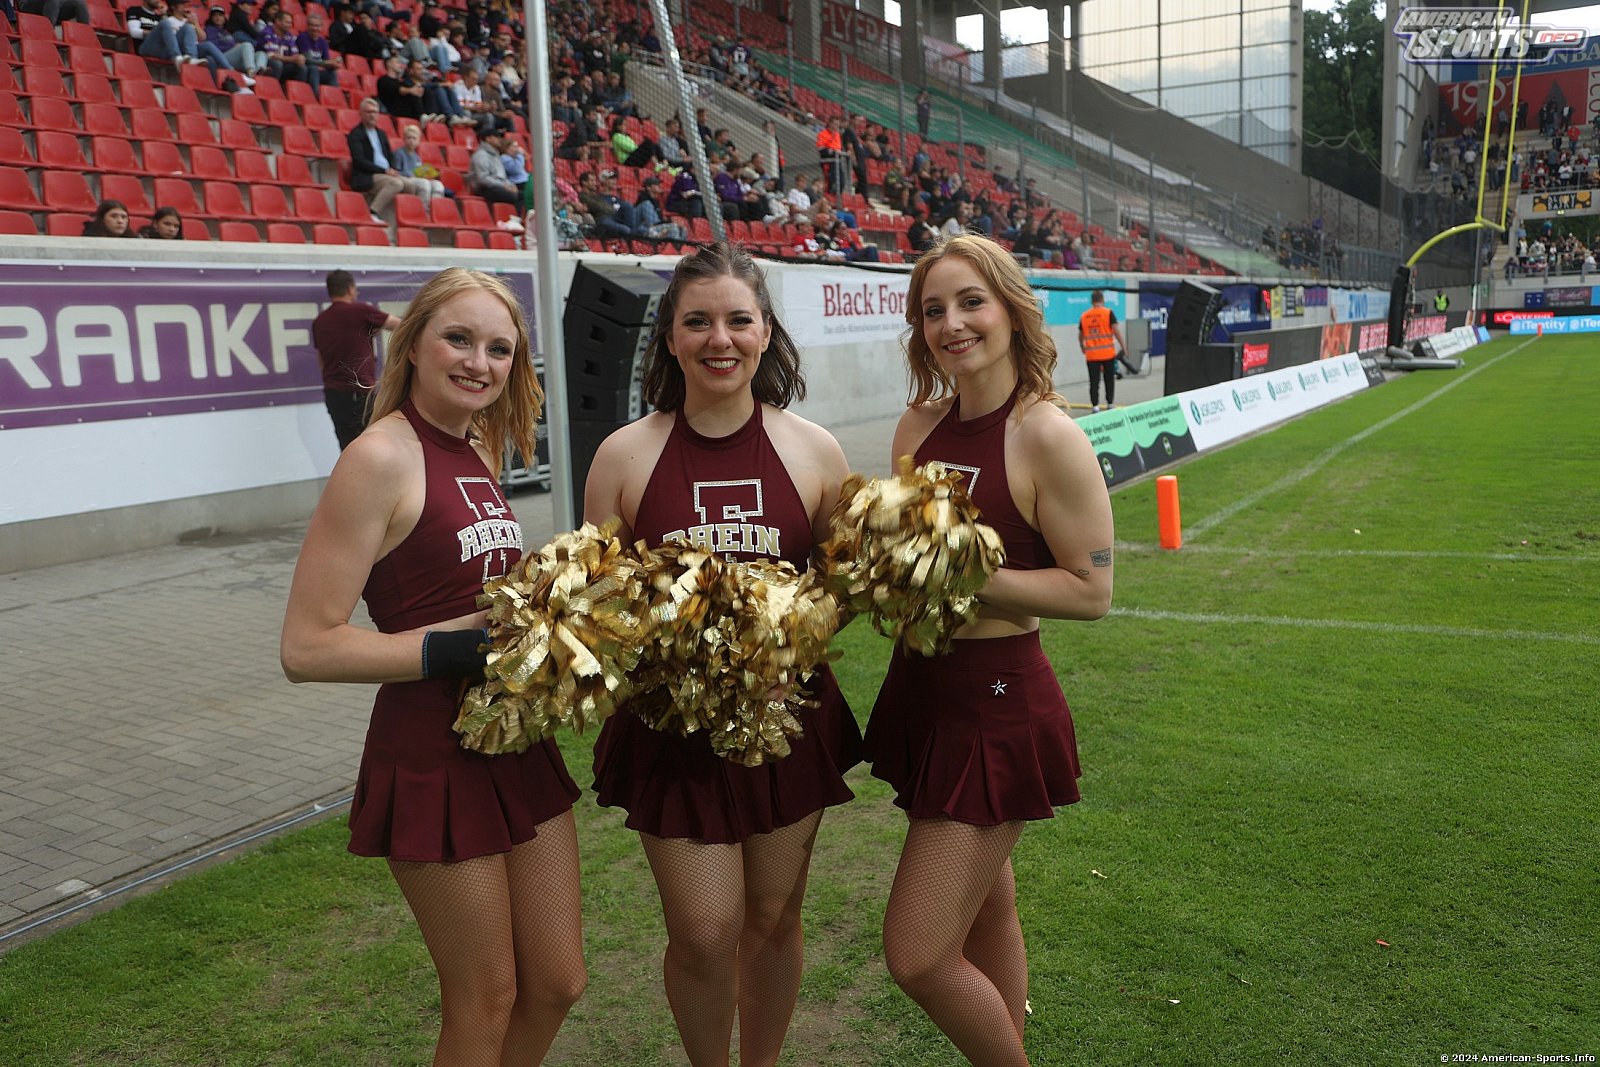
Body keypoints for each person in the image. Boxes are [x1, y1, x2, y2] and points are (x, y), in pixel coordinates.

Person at [282, 268, 585, 1064]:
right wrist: (462, 647)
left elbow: (474, 586)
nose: (479, 362)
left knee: (557, 980)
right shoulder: (377, 457)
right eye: (459, 338)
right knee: (486, 998)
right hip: (431, 753)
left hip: (514, 737)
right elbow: (306, 645)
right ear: (412, 342)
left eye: (499, 348)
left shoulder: (478, 445)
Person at [585, 242, 861, 1067]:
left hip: (787, 720)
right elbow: (593, 601)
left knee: (772, 917)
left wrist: (782, 643)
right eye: (697, 321)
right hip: (673, 733)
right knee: (706, 930)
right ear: (670, 337)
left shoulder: (815, 449)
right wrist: (672, 653)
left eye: (739, 320)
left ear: (765, 331)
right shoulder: (624, 454)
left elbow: (844, 589)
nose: (720, 339)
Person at [864, 234, 1113, 1067]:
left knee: (918, 954)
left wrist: (962, 572)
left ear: (1010, 309)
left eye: (971, 301)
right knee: (987, 909)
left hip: (997, 704)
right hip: (922, 689)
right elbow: (908, 563)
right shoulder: (918, 424)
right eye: (933, 309)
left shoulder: (1047, 435)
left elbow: (1091, 590)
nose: (952, 323)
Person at [309, 270, 400, 450]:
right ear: (350, 289)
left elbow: (321, 361)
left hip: (334, 394)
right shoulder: (360, 311)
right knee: (375, 445)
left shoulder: (319, 321)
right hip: (360, 392)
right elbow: (400, 325)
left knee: (348, 447)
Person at [348, 96, 430, 223]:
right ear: (361, 114)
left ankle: (411, 216)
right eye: (369, 112)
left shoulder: (381, 134)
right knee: (396, 183)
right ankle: (373, 212)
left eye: (375, 112)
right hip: (367, 175)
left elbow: (389, 156)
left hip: (386, 173)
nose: (372, 115)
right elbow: (359, 161)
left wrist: (392, 170)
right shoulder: (356, 134)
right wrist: (384, 171)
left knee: (411, 185)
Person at [1077, 289, 1123, 412]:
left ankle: (1095, 406)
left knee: (1094, 381)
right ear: (1102, 300)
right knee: (1109, 380)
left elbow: (1080, 335)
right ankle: (1110, 404)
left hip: (1092, 355)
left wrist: (1082, 346)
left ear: (1092, 301)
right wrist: (1124, 347)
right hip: (1108, 354)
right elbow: (1117, 331)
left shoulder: (1084, 316)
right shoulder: (1108, 313)